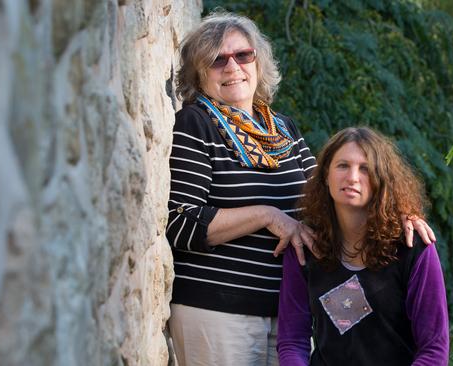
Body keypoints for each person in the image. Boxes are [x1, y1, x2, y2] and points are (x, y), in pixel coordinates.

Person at [166, 11, 437, 366]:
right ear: (199, 73)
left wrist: (400, 214)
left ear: (258, 62)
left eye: (243, 55)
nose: (232, 66)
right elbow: (181, 224)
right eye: (217, 60)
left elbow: (330, 194)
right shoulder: (194, 123)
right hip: (218, 309)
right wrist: (267, 216)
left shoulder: (283, 129)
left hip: (289, 314)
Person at [277, 127, 449, 366]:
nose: (353, 177)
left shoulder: (412, 246)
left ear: (381, 179)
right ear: (326, 175)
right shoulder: (305, 246)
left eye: (365, 168)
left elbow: (434, 349)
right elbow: (292, 341)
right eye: (343, 166)